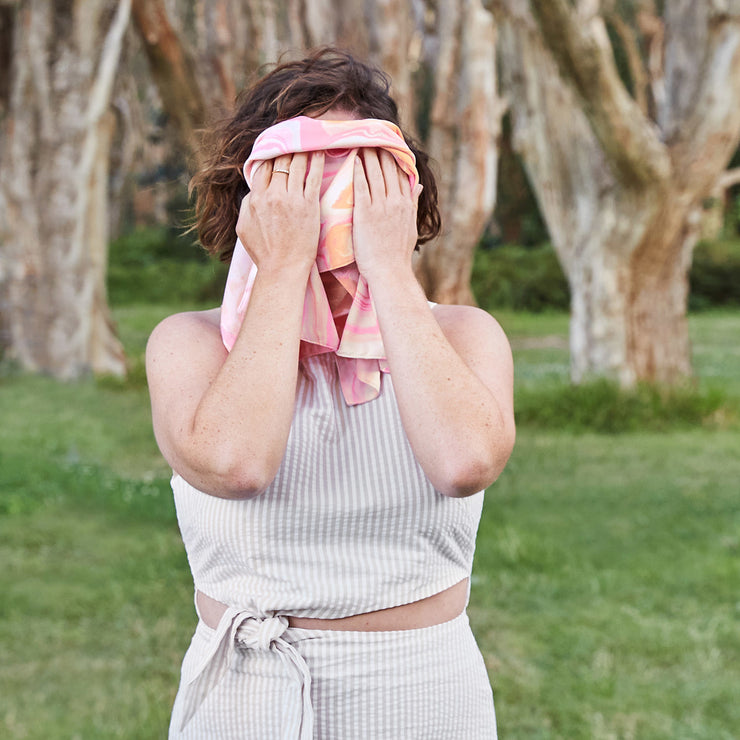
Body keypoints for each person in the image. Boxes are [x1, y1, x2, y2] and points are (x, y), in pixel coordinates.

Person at [146, 47, 515, 740]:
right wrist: (283, 264)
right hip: (246, 695)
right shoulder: (189, 344)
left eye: (358, 175)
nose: (330, 200)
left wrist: (386, 268)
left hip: (422, 695)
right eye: (303, 178)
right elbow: (236, 463)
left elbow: (464, 462)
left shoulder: (464, 336)